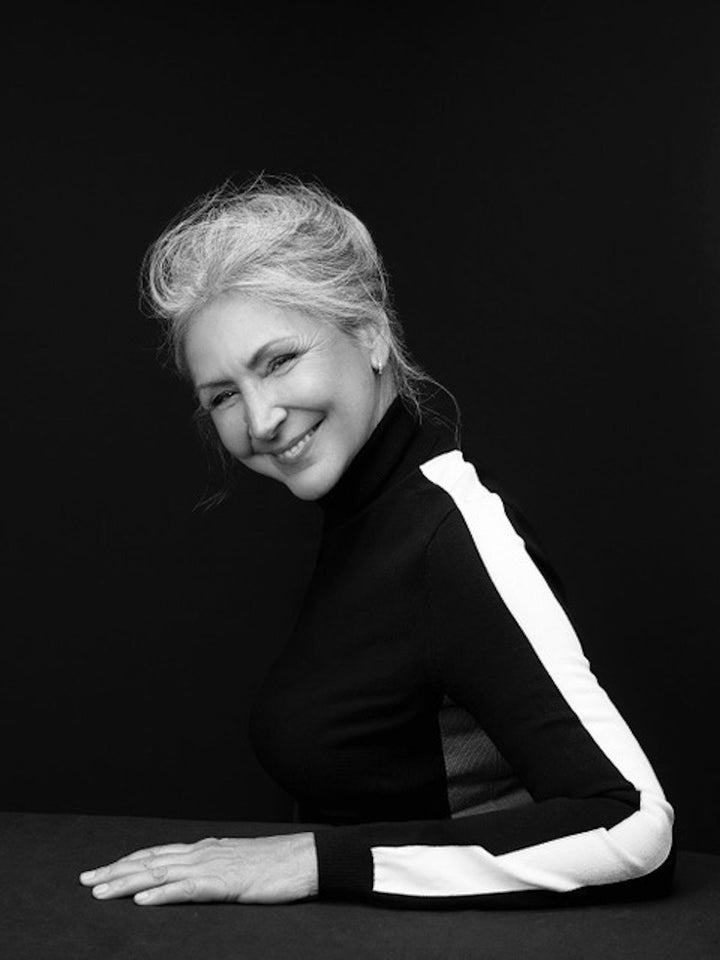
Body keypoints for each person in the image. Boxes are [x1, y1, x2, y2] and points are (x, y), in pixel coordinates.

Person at [79, 179, 674, 908]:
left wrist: (317, 861)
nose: (260, 420)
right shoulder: (364, 519)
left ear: (369, 334)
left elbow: (632, 827)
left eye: (278, 361)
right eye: (223, 396)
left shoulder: (451, 532)